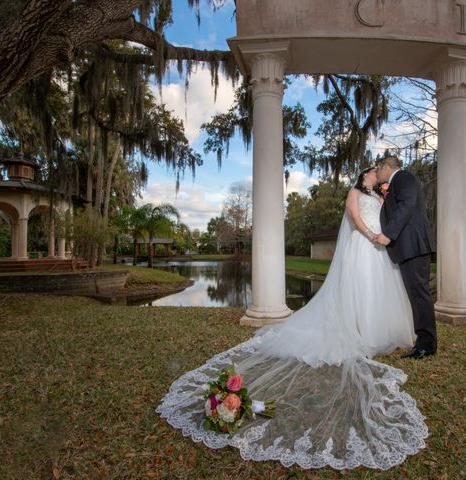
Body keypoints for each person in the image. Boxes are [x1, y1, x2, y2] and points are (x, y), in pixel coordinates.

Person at [157, 167, 427, 471]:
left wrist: (384, 236)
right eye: (373, 171)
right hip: (364, 245)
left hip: (380, 248)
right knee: (358, 290)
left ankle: (378, 329)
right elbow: (354, 218)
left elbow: (395, 216)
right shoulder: (354, 193)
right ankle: (359, 329)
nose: (377, 173)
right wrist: (371, 235)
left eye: (379, 171)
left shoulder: (382, 196)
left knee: (378, 290)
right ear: (364, 176)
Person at [375, 156, 437, 358]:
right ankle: (424, 340)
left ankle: (426, 345)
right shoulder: (394, 184)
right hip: (408, 247)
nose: (377, 173)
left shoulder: (403, 177)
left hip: (414, 245)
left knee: (419, 294)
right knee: (416, 294)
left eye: (378, 169)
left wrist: (388, 234)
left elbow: (407, 205)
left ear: (386, 166)